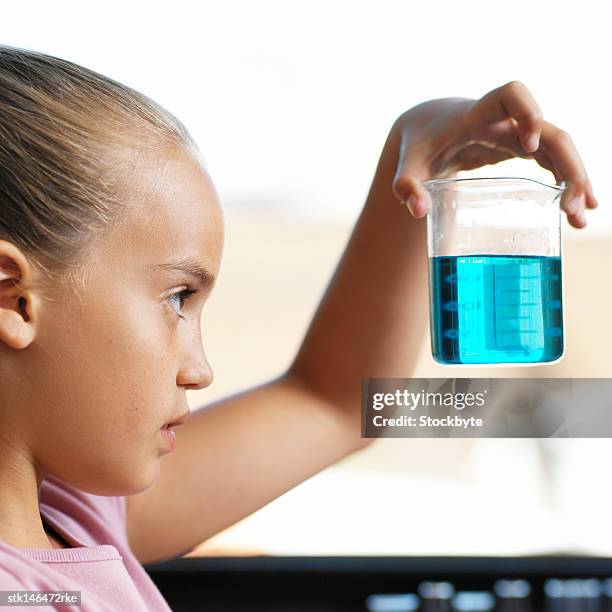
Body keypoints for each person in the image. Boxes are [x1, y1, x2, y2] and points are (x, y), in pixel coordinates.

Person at [0, 44, 597, 610]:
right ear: (14, 300)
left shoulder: (77, 516)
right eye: (178, 297)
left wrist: (416, 161)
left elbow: (334, 404)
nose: (200, 369)